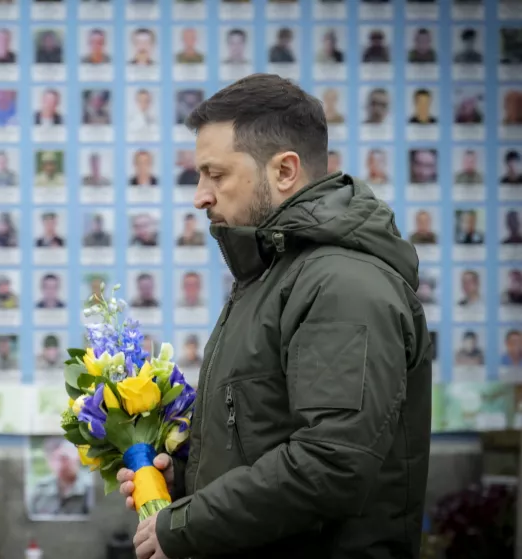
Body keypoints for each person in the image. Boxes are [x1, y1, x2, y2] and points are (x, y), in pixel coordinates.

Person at [121, 74, 430, 559]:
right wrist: (183, 477)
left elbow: (331, 463)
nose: (199, 196)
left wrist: (184, 526)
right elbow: (264, 437)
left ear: (285, 171)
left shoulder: (343, 285)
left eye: (216, 174)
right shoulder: (271, 275)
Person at [29, 437, 91, 516]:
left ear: (78, 456)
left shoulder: (91, 488)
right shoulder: (40, 490)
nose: (59, 465)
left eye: (64, 458)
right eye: (52, 459)